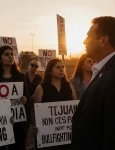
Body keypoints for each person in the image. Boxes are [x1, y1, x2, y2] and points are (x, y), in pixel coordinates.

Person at [71, 16, 115, 150]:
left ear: (103, 40)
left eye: (89, 36)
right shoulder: (102, 70)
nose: (84, 41)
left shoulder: (112, 76)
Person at [0, 46, 28, 150]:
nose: (10, 57)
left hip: (17, 122)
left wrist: (25, 99)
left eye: (12, 54)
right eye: (6, 54)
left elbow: (26, 95)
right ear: (0, 59)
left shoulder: (20, 76)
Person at [32, 59, 77, 150]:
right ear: (50, 72)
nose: (61, 69)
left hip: (66, 136)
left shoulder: (69, 86)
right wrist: (35, 126)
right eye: (57, 67)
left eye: (62, 67)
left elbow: (75, 107)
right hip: (48, 137)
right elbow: (34, 112)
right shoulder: (41, 88)